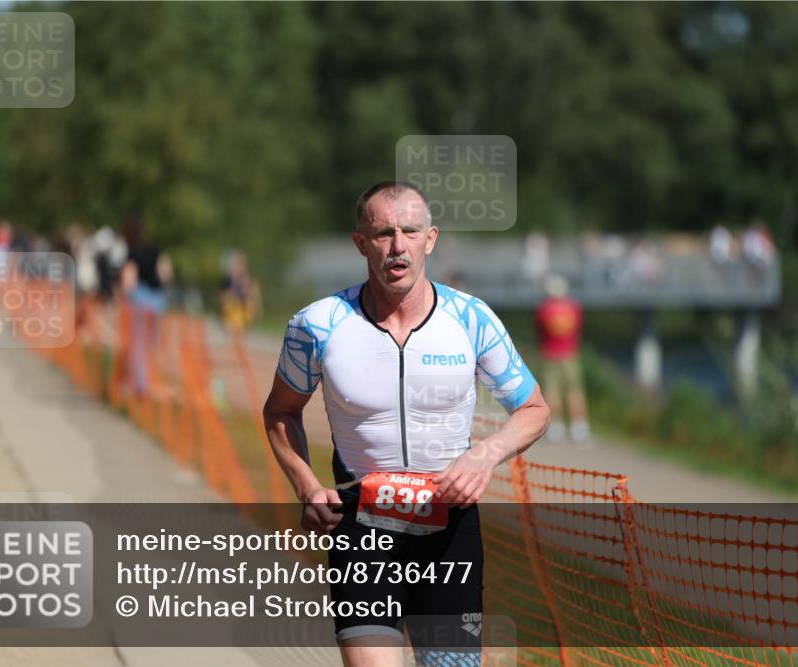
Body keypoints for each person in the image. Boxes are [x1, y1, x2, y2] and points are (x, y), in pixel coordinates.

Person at [262, 181, 551, 667]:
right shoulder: (318, 324)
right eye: (383, 233)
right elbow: (279, 410)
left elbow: (535, 409)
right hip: (361, 529)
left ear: (430, 239)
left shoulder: (471, 319)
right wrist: (307, 486)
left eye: (410, 231)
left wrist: (483, 456)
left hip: (449, 529)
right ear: (360, 243)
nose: (398, 246)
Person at [120, 216, 173, 395]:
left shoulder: (131, 253)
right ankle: (151, 379)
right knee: (151, 344)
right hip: (157, 301)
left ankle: (141, 384)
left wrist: (124, 295)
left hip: (140, 301)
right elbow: (166, 274)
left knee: (138, 343)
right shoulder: (156, 249)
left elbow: (129, 281)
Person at [535, 274, 591, 444]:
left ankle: (555, 427)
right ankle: (579, 427)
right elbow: (578, 329)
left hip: (549, 353)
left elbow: (540, 331)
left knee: (552, 391)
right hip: (570, 354)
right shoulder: (574, 307)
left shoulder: (544, 309)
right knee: (575, 390)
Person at [220, 249, 262, 333]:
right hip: (233, 308)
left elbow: (254, 293)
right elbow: (224, 296)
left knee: (240, 327)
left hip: (243, 307)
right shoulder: (228, 280)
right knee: (233, 326)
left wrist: (257, 307)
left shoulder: (248, 279)